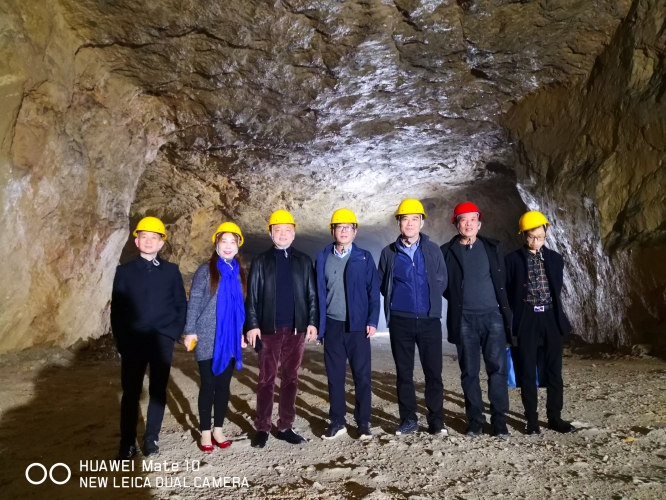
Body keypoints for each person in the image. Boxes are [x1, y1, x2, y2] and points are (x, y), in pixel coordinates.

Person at [111, 216, 187, 459]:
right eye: (144, 236)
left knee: (157, 390)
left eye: (154, 237)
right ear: (137, 241)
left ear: (161, 243)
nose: (148, 241)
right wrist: (122, 341)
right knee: (130, 392)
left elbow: (180, 304)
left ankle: (151, 437)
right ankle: (127, 443)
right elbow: (117, 310)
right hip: (134, 339)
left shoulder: (171, 271)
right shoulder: (124, 272)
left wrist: (173, 333)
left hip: (162, 339)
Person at [244, 210, 319, 448]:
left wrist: (312, 322)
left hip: (296, 330)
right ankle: (263, 427)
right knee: (266, 379)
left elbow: (311, 295)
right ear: (271, 234)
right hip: (268, 330)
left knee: (291, 378)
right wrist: (252, 325)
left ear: (294, 234)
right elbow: (252, 296)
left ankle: (285, 426)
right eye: (278, 230)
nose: (283, 234)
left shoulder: (304, 261)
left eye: (287, 230)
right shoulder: (260, 261)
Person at [440, 202, 513, 438]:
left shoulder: (493, 247)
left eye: (473, 219)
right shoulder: (446, 251)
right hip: (464, 319)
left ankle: (499, 420)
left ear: (479, 224)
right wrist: (460, 300)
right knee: (469, 372)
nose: (468, 224)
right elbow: (444, 285)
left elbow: (502, 279)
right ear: (456, 224)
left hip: (493, 316)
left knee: (498, 369)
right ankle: (475, 420)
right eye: (463, 219)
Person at [378, 199, 448, 436]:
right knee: (404, 373)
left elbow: (442, 279)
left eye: (414, 219)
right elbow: (383, 283)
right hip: (401, 320)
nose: (410, 223)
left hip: (429, 320)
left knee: (433, 373)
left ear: (421, 222)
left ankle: (436, 420)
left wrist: (429, 302)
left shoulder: (433, 249)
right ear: (399, 223)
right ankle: (408, 419)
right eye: (405, 219)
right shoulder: (388, 253)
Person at [505, 211, 576, 435]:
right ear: (523, 235)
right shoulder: (512, 260)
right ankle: (532, 420)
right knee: (527, 370)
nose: (536, 241)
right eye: (531, 237)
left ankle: (555, 418)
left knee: (554, 370)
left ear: (546, 233)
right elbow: (508, 292)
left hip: (550, 317)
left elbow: (556, 288)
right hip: (527, 318)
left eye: (540, 237)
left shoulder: (555, 259)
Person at [315, 209, 380, 440]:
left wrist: (372, 320)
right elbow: (317, 292)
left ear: (355, 231)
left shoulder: (364, 258)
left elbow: (374, 292)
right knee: (335, 376)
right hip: (332, 325)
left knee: (362, 376)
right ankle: (337, 421)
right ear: (332, 231)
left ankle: (363, 422)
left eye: (348, 227)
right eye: (339, 227)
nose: (343, 231)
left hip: (358, 326)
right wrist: (318, 325)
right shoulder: (322, 257)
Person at [183, 222, 248, 452]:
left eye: (233, 242)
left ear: (238, 246)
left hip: (230, 337)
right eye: (224, 241)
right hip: (206, 334)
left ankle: (218, 430)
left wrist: (241, 333)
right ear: (217, 244)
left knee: (223, 385)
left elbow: (241, 307)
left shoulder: (240, 273)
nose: (228, 246)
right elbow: (194, 302)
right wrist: (190, 331)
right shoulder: (205, 271)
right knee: (208, 384)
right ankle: (205, 432)